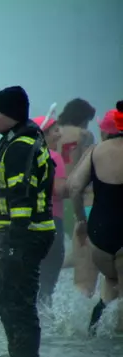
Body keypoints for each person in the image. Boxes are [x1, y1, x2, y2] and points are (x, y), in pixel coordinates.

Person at [0, 86, 56, 357]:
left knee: (17, 303)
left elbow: (20, 195)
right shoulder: (14, 139)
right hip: (16, 234)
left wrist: (15, 241)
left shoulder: (19, 146)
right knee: (4, 301)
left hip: (25, 235)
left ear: (12, 114)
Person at [68, 101, 123, 334]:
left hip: (98, 233)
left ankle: (92, 338)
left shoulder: (94, 151)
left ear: (104, 131)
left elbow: (73, 187)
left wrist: (81, 220)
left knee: (110, 287)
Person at [56, 98, 98, 296]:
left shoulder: (53, 132)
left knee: (63, 250)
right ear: (83, 119)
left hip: (54, 198)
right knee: (81, 253)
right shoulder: (84, 135)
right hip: (76, 198)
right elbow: (90, 166)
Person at [32, 116, 68, 308]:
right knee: (46, 288)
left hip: (25, 225)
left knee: (28, 284)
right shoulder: (54, 157)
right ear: (44, 134)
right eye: (55, 130)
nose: (59, 133)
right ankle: (48, 333)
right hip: (51, 222)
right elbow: (59, 190)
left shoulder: (23, 157)